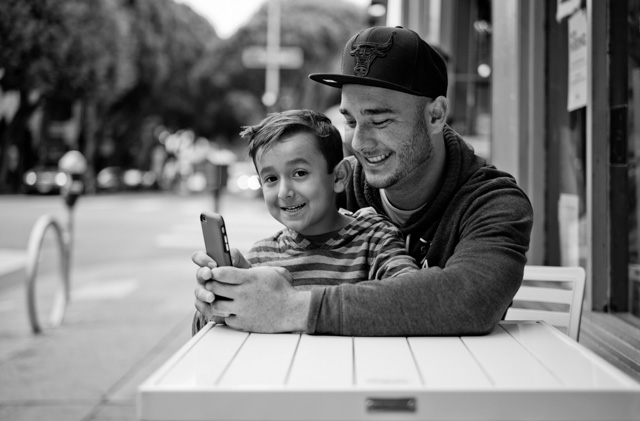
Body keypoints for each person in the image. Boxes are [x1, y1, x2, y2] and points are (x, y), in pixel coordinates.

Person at [193, 26, 533, 336]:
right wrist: (236, 293)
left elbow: (470, 299)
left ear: (436, 115)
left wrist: (294, 308)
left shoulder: (494, 202)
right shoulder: (334, 185)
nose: (359, 143)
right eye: (351, 121)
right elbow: (289, 269)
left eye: (380, 120)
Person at [192, 109, 419, 333]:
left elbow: (415, 298)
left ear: (339, 176)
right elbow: (208, 336)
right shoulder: (260, 257)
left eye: (299, 173)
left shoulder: (374, 240)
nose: (284, 192)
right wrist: (216, 304)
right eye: (271, 178)